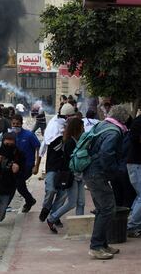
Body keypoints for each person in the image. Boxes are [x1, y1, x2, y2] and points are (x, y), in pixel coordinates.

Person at [84, 105, 129, 259]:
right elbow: (106, 154)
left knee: (102, 209)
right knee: (108, 208)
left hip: (90, 172)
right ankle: (96, 246)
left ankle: (102, 244)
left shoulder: (102, 125)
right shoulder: (114, 132)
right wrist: (114, 173)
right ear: (123, 119)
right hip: (97, 174)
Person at [35, 103, 77, 224]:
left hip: (65, 168)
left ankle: (54, 215)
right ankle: (46, 208)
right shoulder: (54, 131)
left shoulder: (70, 132)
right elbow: (47, 146)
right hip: (52, 166)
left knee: (62, 193)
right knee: (51, 190)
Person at [46, 118, 85, 233]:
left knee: (81, 202)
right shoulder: (69, 143)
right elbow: (70, 160)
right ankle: (52, 218)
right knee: (72, 202)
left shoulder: (76, 141)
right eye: (82, 127)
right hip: (72, 176)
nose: (83, 129)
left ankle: (79, 227)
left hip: (79, 175)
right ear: (77, 128)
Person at [11, 114, 39, 213]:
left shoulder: (29, 135)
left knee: (19, 185)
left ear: (21, 124)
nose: (15, 126)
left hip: (28, 166)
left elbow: (37, 148)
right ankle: (30, 200)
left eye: (17, 124)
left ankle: (29, 201)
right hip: (15, 166)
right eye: (14, 124)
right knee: (19, 185)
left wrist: (36, 166)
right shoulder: (11, 135)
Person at [127, 113, 141, 238]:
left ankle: (132, 223)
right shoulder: (137, 122)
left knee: (139, 196)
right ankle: (131, 226)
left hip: (136, 164)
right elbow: (134, 138)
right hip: (135, 164)